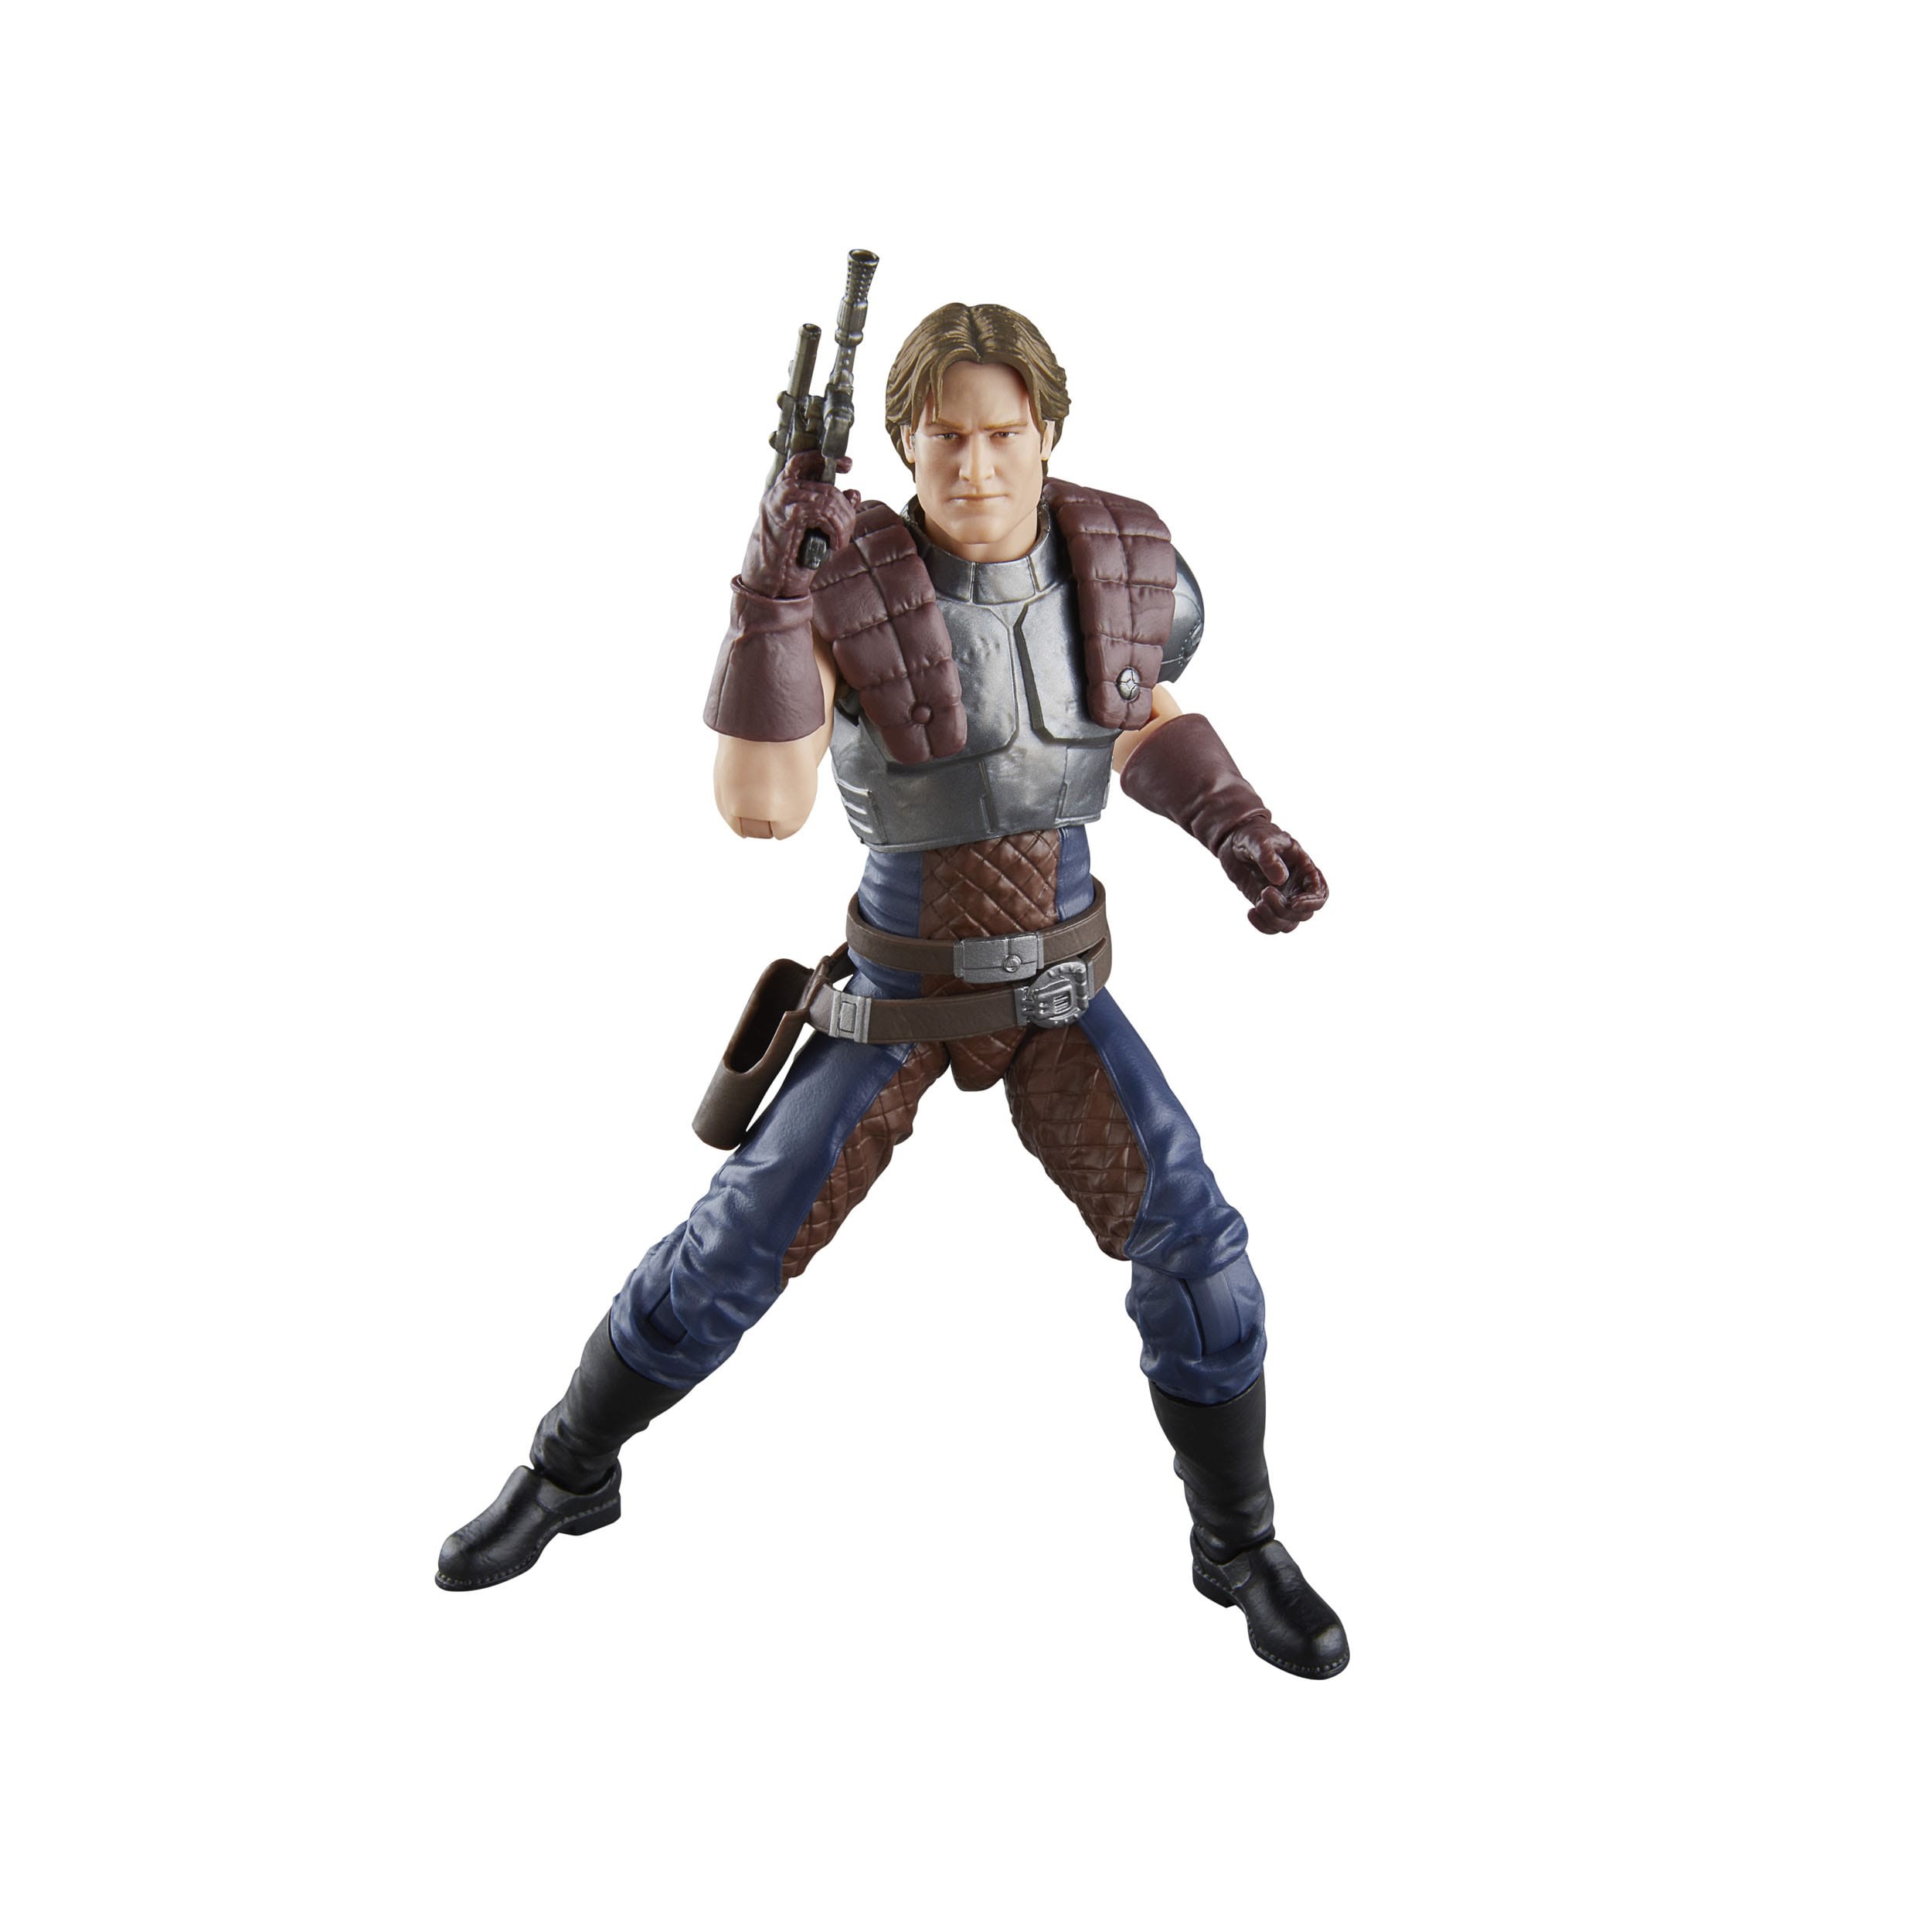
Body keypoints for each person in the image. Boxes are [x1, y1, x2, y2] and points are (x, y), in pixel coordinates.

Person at [437, 302, 1349, 1679]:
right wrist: (769, 604)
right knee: (732, 1247)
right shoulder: (849, 586)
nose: (975, 467)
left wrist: (1242, 827)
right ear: (904, 446)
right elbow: (761, 808)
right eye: (944, 439)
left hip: (1059, 986)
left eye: (1002, 435)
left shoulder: (1123, 558)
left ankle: (1238, 1543)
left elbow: (1137, 711)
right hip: (901, 992)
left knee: (1201, 1251)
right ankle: (568, 1471)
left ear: (1047, 433)